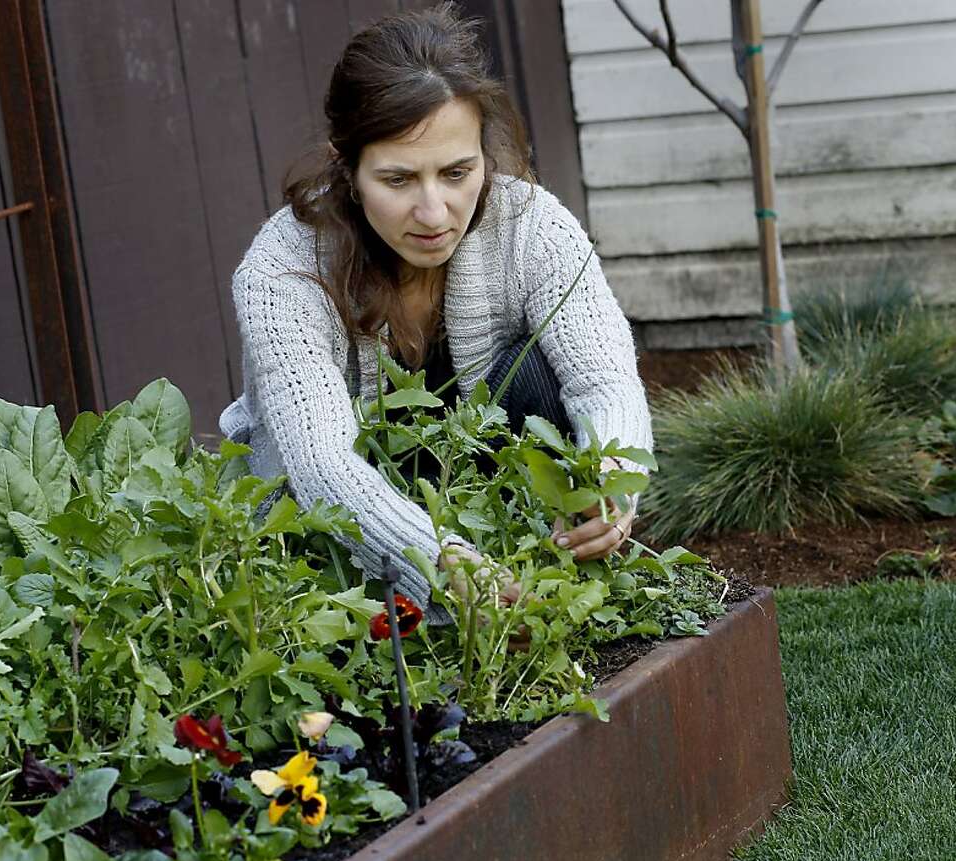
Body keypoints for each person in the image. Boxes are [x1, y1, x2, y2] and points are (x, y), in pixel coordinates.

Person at [219, 3, 652, 619]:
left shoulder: (529, 223)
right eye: (398, 180)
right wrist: (438, 558)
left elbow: (603, 375)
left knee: (543, 380)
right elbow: (320, 466)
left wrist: (611, 481)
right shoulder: (282, 270)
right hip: (330, 525)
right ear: (349, 169)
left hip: (474, 481)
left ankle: (552, 586)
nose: (434, 212)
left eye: (456, 173)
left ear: (484, 155)